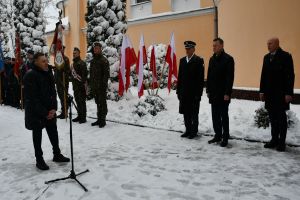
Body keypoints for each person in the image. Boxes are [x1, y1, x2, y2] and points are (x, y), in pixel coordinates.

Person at [23, 52, 70, 170]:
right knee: (37, 135)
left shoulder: (48, 73)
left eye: (46, 60)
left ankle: (57, 154)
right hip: (36, 112)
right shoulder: (30, 75)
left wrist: (53, 108)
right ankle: (39, 159)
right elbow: (33, 99)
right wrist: (45, 113)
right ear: (36, 62)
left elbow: (53, 92)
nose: (46, 63)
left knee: (53, 132)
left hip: (49, 110)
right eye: (43, 61)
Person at [259, 37, 295, 152]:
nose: (268, 45)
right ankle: (274, 139)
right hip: (269, 94)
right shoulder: (266, 57)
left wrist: (289, 93)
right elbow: (263, 75)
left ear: (277, 44)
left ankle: (281, 142)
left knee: (281, 118)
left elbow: (290, 76)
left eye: (270, 43)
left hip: (281, 94)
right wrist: (262, 91)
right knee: (272, 118)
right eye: (267, 43)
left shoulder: (286, 56)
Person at [207, 38, 234, 147]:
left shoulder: (228, 59)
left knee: (224, 116)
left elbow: (230, 78)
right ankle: (217, 135)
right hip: (213, 93)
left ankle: (225, 137)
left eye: (216, 46)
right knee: (215, 116)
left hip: (223, 94)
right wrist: (208, 89)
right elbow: (209, 76)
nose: (214, 47)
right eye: (213, 46)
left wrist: (227, 93)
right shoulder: (212, 59)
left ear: (222, 46)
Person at [177, 41, 205, 139]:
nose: (187, 51)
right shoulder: (182, 61)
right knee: (185, 113)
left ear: (193, 49)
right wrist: (178, 91)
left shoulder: (198, 61)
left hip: (194, 93)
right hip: (184, 92)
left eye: (189, 49)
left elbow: (200, 79)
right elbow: (180, 77)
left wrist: (199, 94)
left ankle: (194, 131)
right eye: (186, 49)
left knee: (194, 113)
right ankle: (188, 130)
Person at [89, 42, 110, 128]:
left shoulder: (104, 60)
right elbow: (91, 74)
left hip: (101, 87)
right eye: (94, 48)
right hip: (95, 87)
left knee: (102, 103)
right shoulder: (93, 61)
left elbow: (106, 75)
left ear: (100, 49)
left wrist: (103, 85)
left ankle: (103, 120)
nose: (95, 49)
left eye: (97, 48)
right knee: (98, 103)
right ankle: (99, 119)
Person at [71, 47, 88, 123]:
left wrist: (82, 85)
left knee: (82, 102)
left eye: (75, 53)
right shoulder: (73, 64)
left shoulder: (82, 63)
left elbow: (84, 76)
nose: (74, 54)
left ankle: (83, 117)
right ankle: (79, 115)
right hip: (75, 87)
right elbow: (72, 75)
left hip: (81, 87)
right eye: (73, 53)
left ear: (79, 54)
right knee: (78, 101)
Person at [55, 46, 71, 119]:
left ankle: (65, 112)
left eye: (62, 49)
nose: (61, 51)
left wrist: (64, 72)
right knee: (61, 97)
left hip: (64, 81)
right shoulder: (57, 59)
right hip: (58, 81)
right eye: (59, 49)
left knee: (64, 97)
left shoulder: (66, 59)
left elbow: (68, 70)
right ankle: (63, 111)